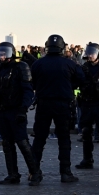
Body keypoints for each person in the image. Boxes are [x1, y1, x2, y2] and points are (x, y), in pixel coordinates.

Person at [30, 34, 85, 183]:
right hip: (63, 104)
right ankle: (65, 172)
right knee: (64, 139)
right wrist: (68, 86)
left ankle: (34, 173)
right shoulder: (70, 64)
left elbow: (32, 82)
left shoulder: (38, 64)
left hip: (43, 104)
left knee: (39, 139)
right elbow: (81, 80)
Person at [0, 42, 40, 186]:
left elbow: (28, 91)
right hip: (3, 110)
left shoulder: (21, 67)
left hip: (16, 110)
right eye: (0, 53)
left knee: (22, 143)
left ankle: (35, 172)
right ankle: (13, 174)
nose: (2, 55)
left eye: (4, 53)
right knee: (7, 144)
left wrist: (23, 109)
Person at [74, 43, 99, 171]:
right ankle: (87, 159)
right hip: (87, 103)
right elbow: (76, 82)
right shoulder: (83, 68)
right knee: (85, 132)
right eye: (89, 53)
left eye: (93, 53)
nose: (90, 55)